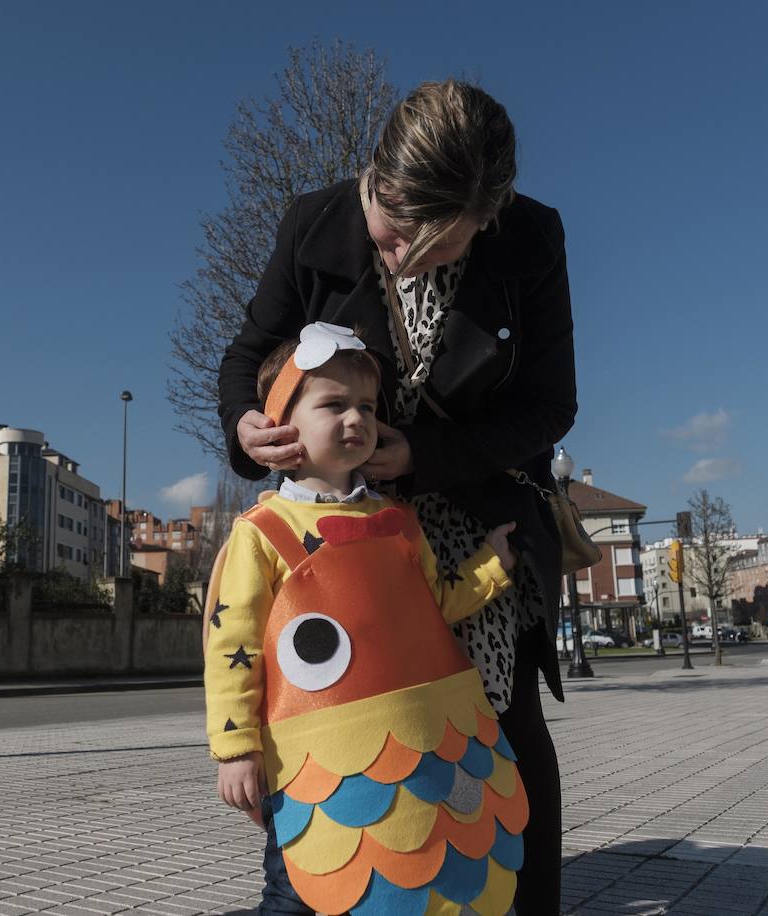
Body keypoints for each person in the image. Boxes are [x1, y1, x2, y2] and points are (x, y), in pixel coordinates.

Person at [217, 78, 576, 912]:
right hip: (334, 520)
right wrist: (245, 421)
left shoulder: (530, 237)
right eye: (388, 226)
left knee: (498, 720)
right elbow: (246, 353)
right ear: (375, 171)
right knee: (334, 715)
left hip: (468, 513)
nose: (397, 254)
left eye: (431, 246)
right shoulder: (316, 219)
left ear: (484, 221)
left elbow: (549, 405)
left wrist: (420, 454)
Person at [205, 322, 526, 914]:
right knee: (297, 886)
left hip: (413, 741)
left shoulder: (400, 521)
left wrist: (491, 567)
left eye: (368, 407)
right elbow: (234, 646)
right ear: (281, 422)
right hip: (311, 758)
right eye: (334, 404)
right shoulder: (262, 533)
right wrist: (235, 749)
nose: (357, 419)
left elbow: (435, 607)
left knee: (407, 877)